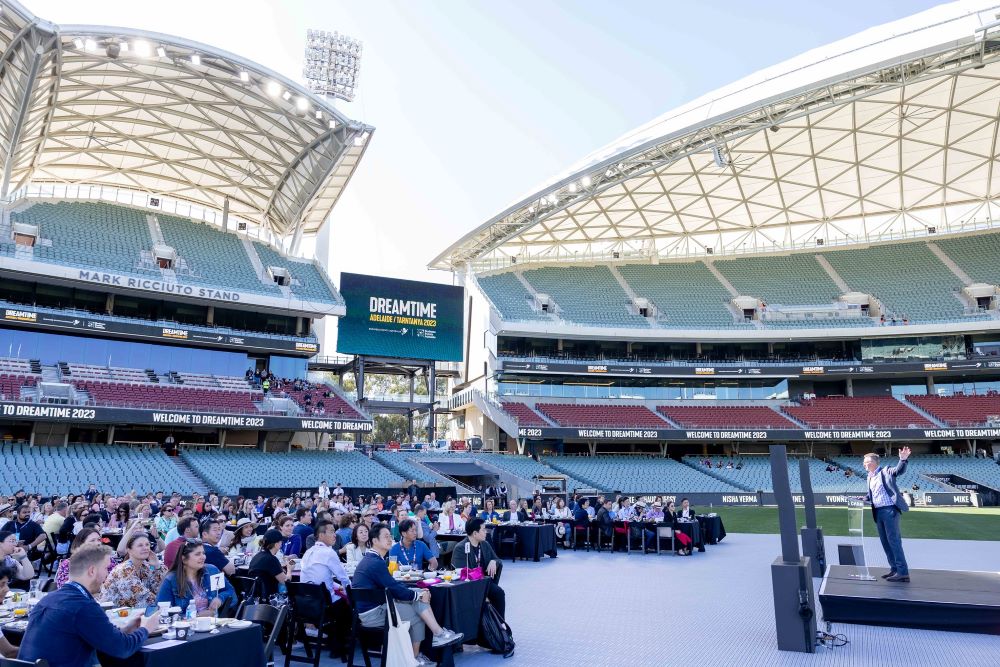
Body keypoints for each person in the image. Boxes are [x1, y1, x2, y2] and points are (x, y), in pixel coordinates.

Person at [20, 545, 159, 666]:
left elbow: (100, 635)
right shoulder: (82, 606)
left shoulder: (48, 599)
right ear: (92, 571)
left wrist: (126, 629)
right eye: (106, 568)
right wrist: (146, 629)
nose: (107, 574)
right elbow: (122, 649)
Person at [353, 523, 463, 666]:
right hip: (373, 615)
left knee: (418, 599)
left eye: (390, 536)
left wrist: (417, 593)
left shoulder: (371, 559)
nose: (389, 539)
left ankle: (434, 639)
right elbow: (394, 588)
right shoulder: (376, 562)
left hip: (368, 611)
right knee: (418, 611)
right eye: (385, 536)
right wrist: (418, 595)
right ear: (374, 541)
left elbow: (393, 585)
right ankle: (422, 651)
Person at [863, 447, 912, 582]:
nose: (864, 465)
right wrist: (866, 497)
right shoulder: (870, 477)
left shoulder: (886, 471)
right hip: (878, 512)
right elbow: (873, 492)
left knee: (894, 541)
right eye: (864, 462)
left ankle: (903, 572)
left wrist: (903, 459)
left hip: (889, 510)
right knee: (885, 542)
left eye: (866, 462)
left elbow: (898, 471)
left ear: (874, 463)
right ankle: (894, 569)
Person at [451, 518, 506, 618]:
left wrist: (494, 561)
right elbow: (462, 573)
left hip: (484, 583)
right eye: (484, 530)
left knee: (499, 593)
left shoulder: (485, 544)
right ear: (475, 533)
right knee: (483, 601)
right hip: (469, 586)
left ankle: (501, 624)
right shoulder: (460, 548)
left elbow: (498, 560)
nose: (486, 532)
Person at [157, 539, 224, 616]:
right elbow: (162, 613)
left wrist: (220, 599)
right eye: (197, 554)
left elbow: (229, 591)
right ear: (184, 559)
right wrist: (197, 616)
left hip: (214, 624)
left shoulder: (212, 570)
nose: (203, 557)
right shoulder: (171, 580)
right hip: (185, 626)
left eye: (203, 553)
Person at [101, 532, 166, 608]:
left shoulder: (146, 566)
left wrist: (156, 566)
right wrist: (166, 602)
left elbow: (160, 590)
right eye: (140, 545)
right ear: (129, 550)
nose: (145, 548)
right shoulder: (124, 570)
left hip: (131, 613)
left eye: (147, 544)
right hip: (112, 613)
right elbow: (142, 599)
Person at [248, 529, 295, 600]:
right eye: (281, 542)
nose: (281, 544)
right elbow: (285, 582)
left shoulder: (257, 556)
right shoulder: (271, 559)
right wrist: (289, 570)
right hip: (269, 600)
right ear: (276, 545)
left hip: (256, 597)